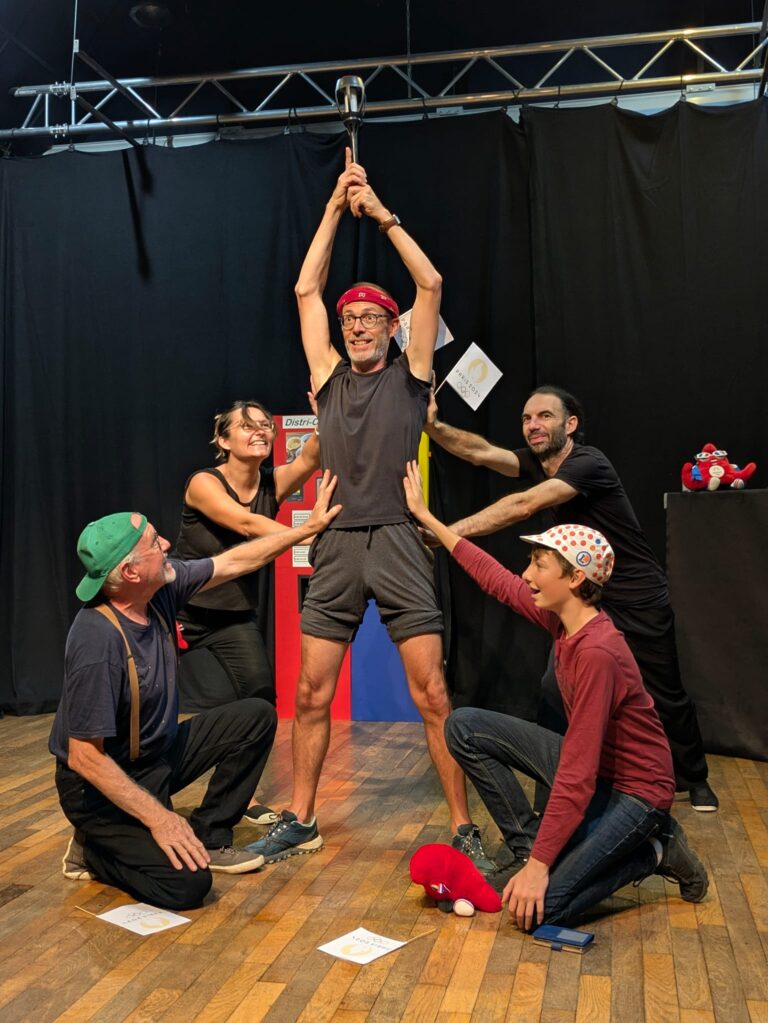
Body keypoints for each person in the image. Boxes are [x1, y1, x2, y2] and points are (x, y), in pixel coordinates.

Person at [248, 148, 484, 868]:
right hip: (340, 542)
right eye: (348, 318)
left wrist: (380, 214)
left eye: (369, 318)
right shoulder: (327, 379)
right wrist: (331, 206)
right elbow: (304, 288)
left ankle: (463, 826)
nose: (355, 326)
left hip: (401, 541)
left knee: (432, 693)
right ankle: (302, 817)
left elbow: (431, 282)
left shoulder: (413, 375)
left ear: (390, 327)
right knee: (310, 692)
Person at [402, 459, 708, 929]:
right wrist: (431, 521)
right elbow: (496, 580)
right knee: (462, 726)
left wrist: (542, 869)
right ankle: (527, 847)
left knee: (543, 911)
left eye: (538, 565)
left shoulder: (598, 652)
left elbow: (578, 771)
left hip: (637, 792)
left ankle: (656, 850)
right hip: (599, 774)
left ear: (575, 579)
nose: (526, 574)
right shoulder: (561, 620)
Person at [50, 471, 340, 911]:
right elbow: (85, 757)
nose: (168, 543)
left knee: (256, 714)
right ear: (130, 571)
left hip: (155, 759)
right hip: (97, 788)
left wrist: (305, 530)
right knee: (187, 885)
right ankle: (94, 849)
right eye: (154, 542)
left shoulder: (159, 591)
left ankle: (211, 832)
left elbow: (236, 562)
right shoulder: (97, 640)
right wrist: (160, 818)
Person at [424, 385, 718, 812]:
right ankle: (554, 790)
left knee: (664, 692)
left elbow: (524, 505)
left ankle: (694, 777)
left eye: (544, 416)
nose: (533, 425)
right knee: (554, 689)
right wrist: (433, 426)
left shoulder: (587, 463)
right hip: (584, 600)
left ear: (570, 424)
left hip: (637, 597)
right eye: (526, 419)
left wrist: (447, 532)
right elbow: (481, 453)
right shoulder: (537, 462)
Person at [173, 400, 319, 824]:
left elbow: (312, 455)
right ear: (223, 440)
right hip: (180, 611)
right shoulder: (204, 482)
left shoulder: (272, 482)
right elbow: (246, 524)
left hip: (233, 618)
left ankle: (231, 803)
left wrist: (329, 410)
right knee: (147, 699)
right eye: (246, 426)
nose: (259, 431)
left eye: (264, 425)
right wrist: (309, 535)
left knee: (260, 704)